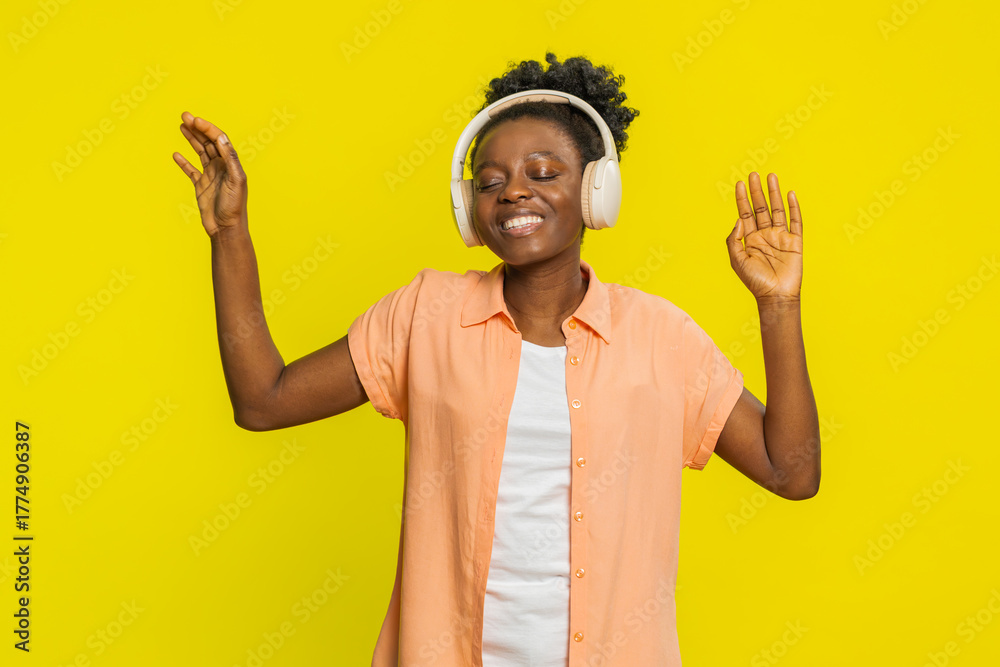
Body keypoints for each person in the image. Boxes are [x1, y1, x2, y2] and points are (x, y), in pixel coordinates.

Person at [172, 53, 820, 667]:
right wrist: (230, 234)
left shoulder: (661, 337)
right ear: (468, 207)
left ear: (597, 190)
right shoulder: (425, 315)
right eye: (490, 181)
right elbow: (264, 400)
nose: (513, 192)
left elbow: (791, 471)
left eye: (544, 173)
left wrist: (778, 305)